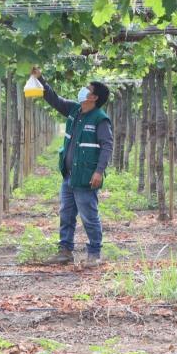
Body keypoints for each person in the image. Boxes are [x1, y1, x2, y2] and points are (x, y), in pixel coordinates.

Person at [31, 67, 113, 267]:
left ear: (93, 97)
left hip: (86, 176)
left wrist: (99, 171)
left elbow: (107, 146)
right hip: (69, 175)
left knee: (89, 215)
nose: (83, 90)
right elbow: (54, 98)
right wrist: (40, 78)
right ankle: (65, 251)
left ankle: (94, 254)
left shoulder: (100, 119)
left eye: (87, 89)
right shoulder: (75, 110)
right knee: (66, 213)